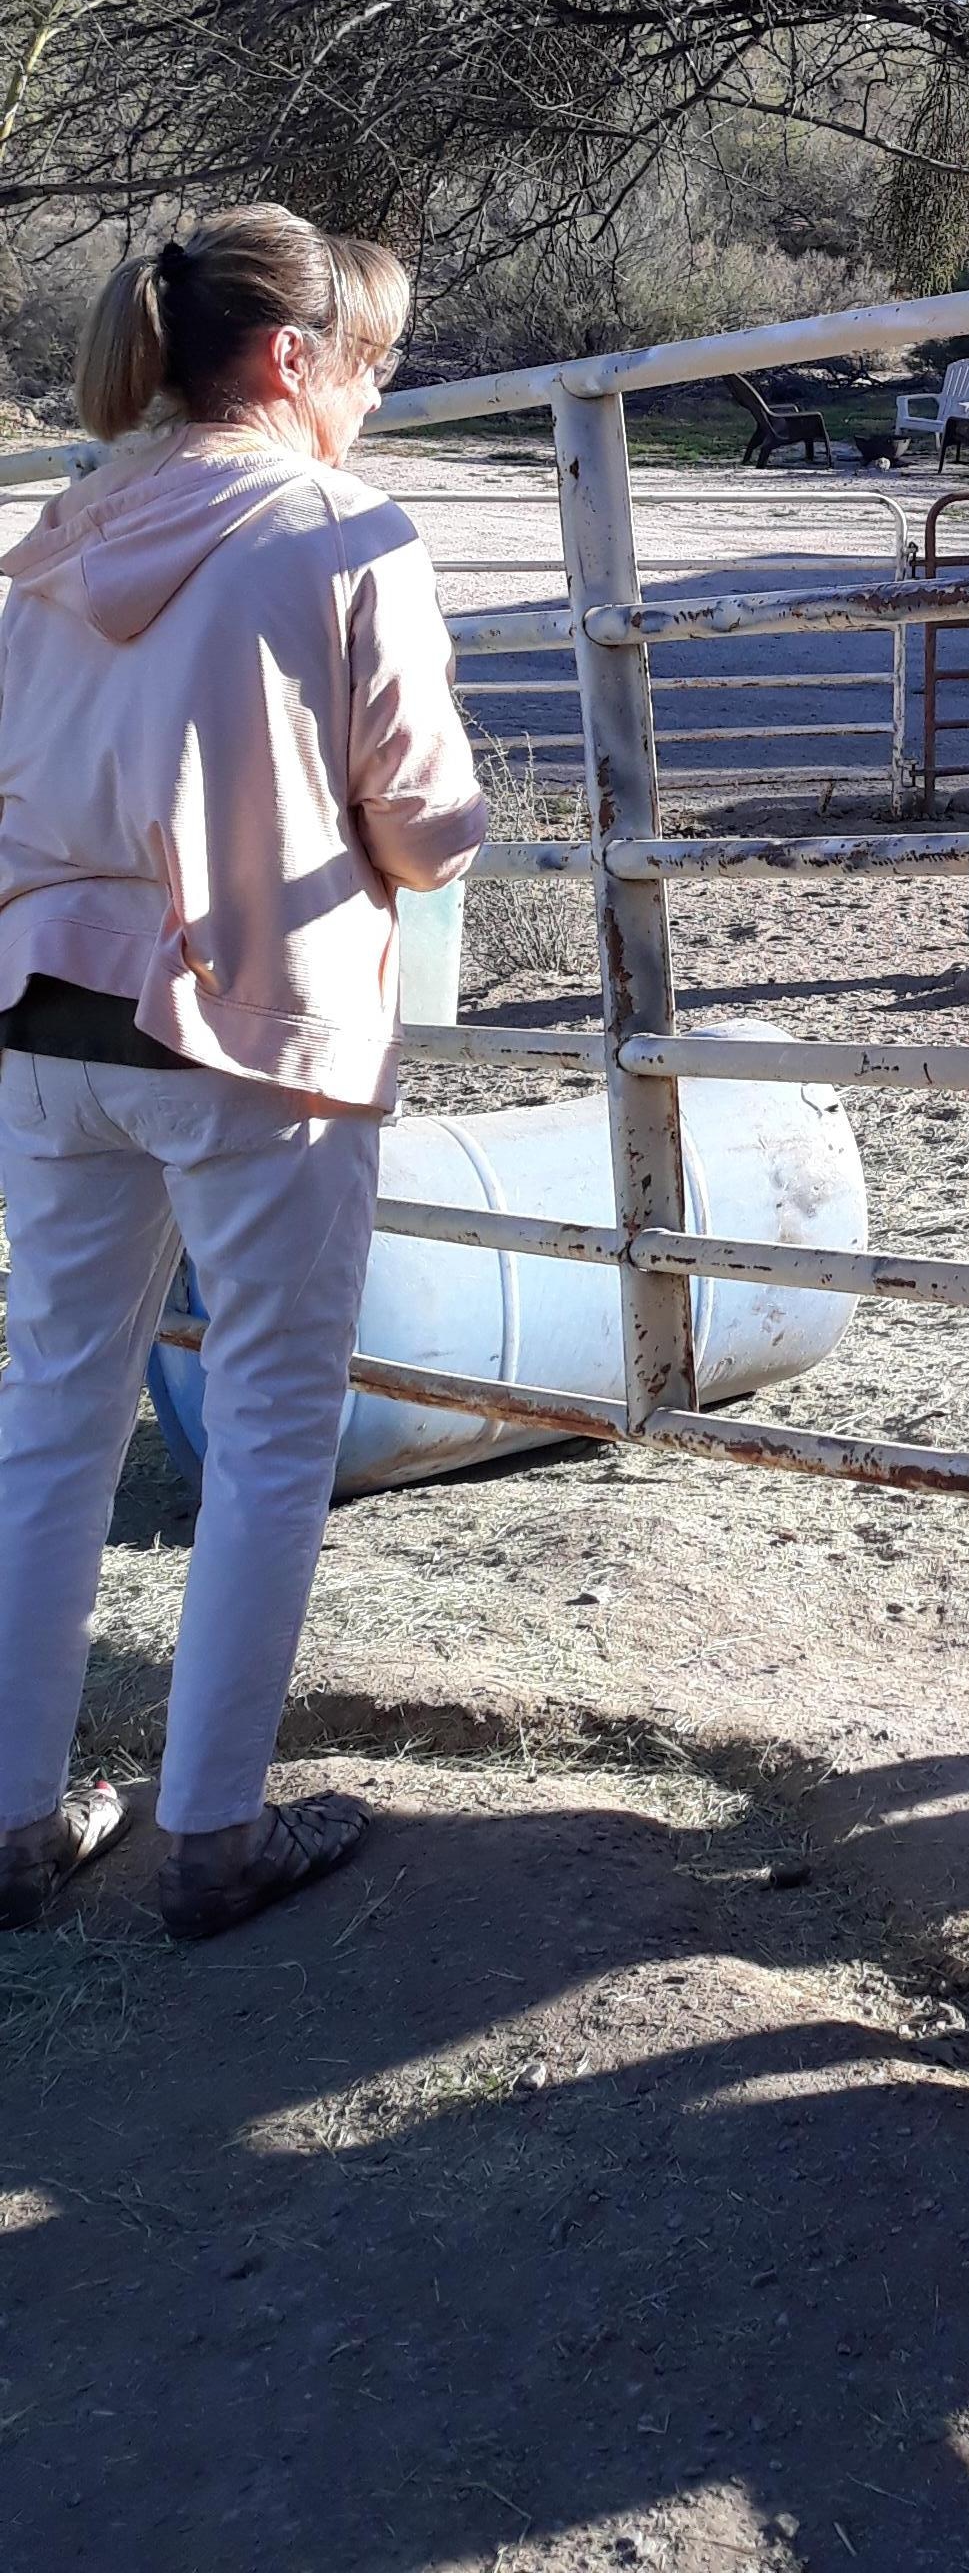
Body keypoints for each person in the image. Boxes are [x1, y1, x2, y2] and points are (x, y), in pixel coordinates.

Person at [0, 210, 484, 1941]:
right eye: (365, 367)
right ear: (291, 360)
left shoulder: (55, 535)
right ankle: (213, 1833)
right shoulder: (342, 528)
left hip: (47, 1013)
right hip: (249, 1026)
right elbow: (425, 825)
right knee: (275, 1428)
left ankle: (13, 1821)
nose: (370, 401)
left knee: (53, 1414)